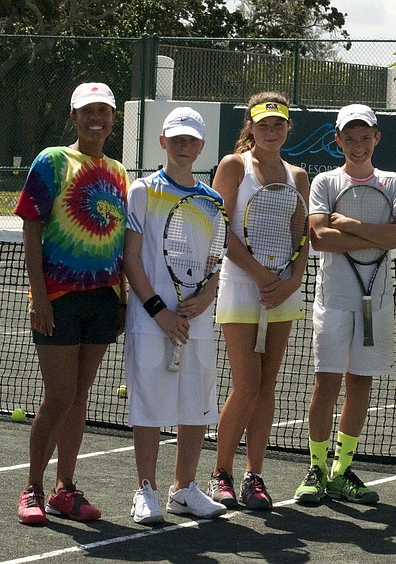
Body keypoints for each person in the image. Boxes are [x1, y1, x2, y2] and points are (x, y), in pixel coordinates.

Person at [14, 82, 128, 526]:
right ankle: (32, 488)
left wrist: (121, 300)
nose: (96, 118)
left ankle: (65, 489)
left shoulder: (119, 172)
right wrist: (39, 296)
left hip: (103, 300)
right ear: (74, 116)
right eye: (88, 111)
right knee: (59, 396)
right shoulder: (52, 160)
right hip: (58, 300)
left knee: (79, 396)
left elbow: (119, 242)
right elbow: (31, 228)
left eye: (104, 111)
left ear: (113, 119)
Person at [293, 104, 396, 505]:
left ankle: (341, 471)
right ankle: (316, 469)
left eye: (365, 137)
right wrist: (378, 234)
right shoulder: (325, 182)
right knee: (326, 383)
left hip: (375, 305)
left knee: (360, 384)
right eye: (349, 138)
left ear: (377, 138)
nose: (357, 145)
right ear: (338, 140)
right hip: (333, 301)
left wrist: (348, 225)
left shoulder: (393, 182)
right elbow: (320, 238)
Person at [206, 92, 310, 510]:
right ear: (250, 127)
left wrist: (292, 280)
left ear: (287, 127)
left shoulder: (298, 176)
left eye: (278, 124)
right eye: (263, 124)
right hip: (241, 286)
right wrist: (261, 274)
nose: (271, 131)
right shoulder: (234, 166)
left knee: (267, 386)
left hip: (283, 290)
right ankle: (221, 473)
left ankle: (254, 476)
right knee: (246, 385)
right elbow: (220, 228)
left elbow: (300, 234)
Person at [124, 107, 227, 524]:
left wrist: (206, 297)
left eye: (191, 140)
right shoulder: (142, 190)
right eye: (177, 139)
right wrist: (159, 312)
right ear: (163, 142)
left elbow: (215, 263)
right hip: (150, 321)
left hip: (196, 322)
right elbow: (131, 259)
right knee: (149, 406)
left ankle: (183, 490)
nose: (184, 146)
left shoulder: (213, 200)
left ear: (201, 146)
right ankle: (145, 490)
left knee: (196, 406)